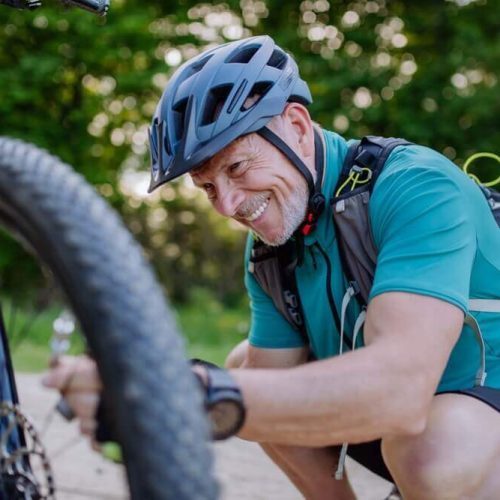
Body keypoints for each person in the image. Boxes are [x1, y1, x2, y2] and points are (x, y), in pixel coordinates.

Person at [43, 35, 500, 499]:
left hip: (470, 407)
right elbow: (260, 391)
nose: (227, 205)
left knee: (431, 454)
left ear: (297, 127)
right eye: (207, 187)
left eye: (237, 167)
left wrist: (183, 392)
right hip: (408, 415)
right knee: (249, 370)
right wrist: (157, 382)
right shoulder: (271, 244)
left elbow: (399, 393)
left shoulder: (416, 186)